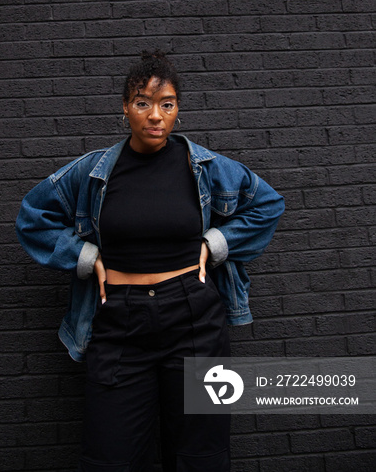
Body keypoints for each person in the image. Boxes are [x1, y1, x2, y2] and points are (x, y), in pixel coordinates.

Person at [15, 50, 285, 472]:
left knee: (201, 455)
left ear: (178, 109)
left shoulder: (204, 166)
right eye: (143, 102)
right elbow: (33, 217)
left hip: (194, 318)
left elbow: (267, 204)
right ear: (125, 108)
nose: (155, 115)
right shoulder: (95, 171)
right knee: (111, 456)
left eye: (167, 103)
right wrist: (87, 257)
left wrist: (214, 243)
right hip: (119, 320)